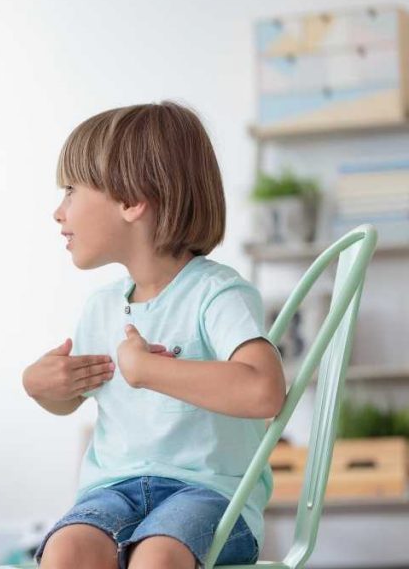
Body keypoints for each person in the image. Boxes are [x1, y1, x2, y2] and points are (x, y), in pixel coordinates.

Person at [22, 102, 285, 569]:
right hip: (113, 491)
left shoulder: (216, 293)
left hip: (210, 495)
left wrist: (151, 370)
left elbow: (264, 392)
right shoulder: (102, 305)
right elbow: (73, 397)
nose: (57, 211)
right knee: (65, 552)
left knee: (157, 557)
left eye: (71, 190)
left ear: (131, 201)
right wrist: (45, 388)